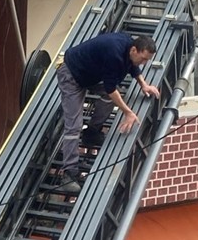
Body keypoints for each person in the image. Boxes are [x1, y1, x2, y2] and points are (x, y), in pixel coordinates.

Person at [55, 32, 160, 194]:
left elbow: (133, 66)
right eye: (143, 59)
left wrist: (144, 85)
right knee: (74, 126)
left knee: (110, 97)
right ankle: (68, 174)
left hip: (88, 74)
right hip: (71, 75)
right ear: (134, 50)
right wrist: (128, 112)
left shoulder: (129, 46)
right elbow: (111, 90)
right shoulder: (114, 55)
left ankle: (92, 132)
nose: (144, 63)